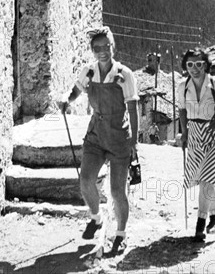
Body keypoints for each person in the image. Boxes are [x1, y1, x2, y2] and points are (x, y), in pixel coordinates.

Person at [60, 26, 139, 256]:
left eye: (106, 47)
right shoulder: (89, 71)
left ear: (113, 46)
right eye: (97, 48)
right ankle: (96, 217)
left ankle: (121, 233)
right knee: (85, 181)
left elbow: (132, 109)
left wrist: (133, 141)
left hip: (118, 136)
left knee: (116, 191)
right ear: (92, 50)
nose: (102, 51)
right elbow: (76, 91)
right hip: (95, 133)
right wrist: (67, 99)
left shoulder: (124, 74)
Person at [177, 48, 215, 242]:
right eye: (190, 65)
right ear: (186, 67)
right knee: (202, 178)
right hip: (195, 134)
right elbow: (182, 111)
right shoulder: (182, 86)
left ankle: (200, 225)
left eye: (199, 64)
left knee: (208, 177)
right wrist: (184, 133)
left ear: (206, 65)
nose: (194, 68)